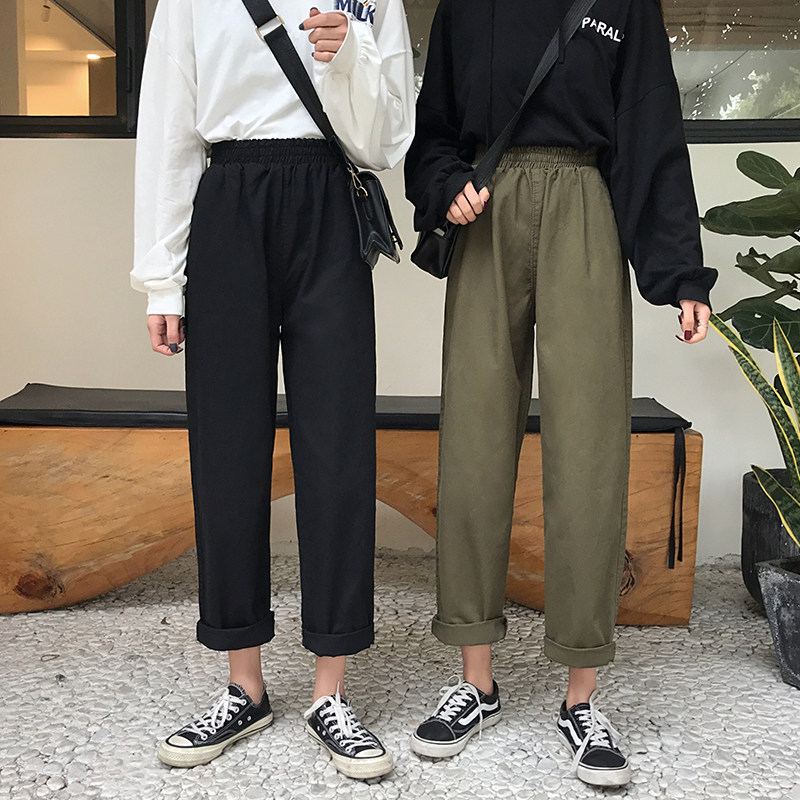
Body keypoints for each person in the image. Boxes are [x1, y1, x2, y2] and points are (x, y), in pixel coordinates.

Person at [404, 0, 717, 788]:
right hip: (488, 213)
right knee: (474, 446)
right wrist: (445, 183)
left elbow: (650, 132)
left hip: (585, 204)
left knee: (589, 452)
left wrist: (680, 271)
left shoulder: (621, 4)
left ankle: (582, 694)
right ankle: (476, 680)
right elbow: (431, 128)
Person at [130, 0, 414, 780]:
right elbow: (170, 126)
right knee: (226, 448)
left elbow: (387, 140)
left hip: (330, 200)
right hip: (228, 201)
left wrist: (350, 56)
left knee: (339, 448)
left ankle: (331, 690)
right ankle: (243, 683)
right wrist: (162, 279)